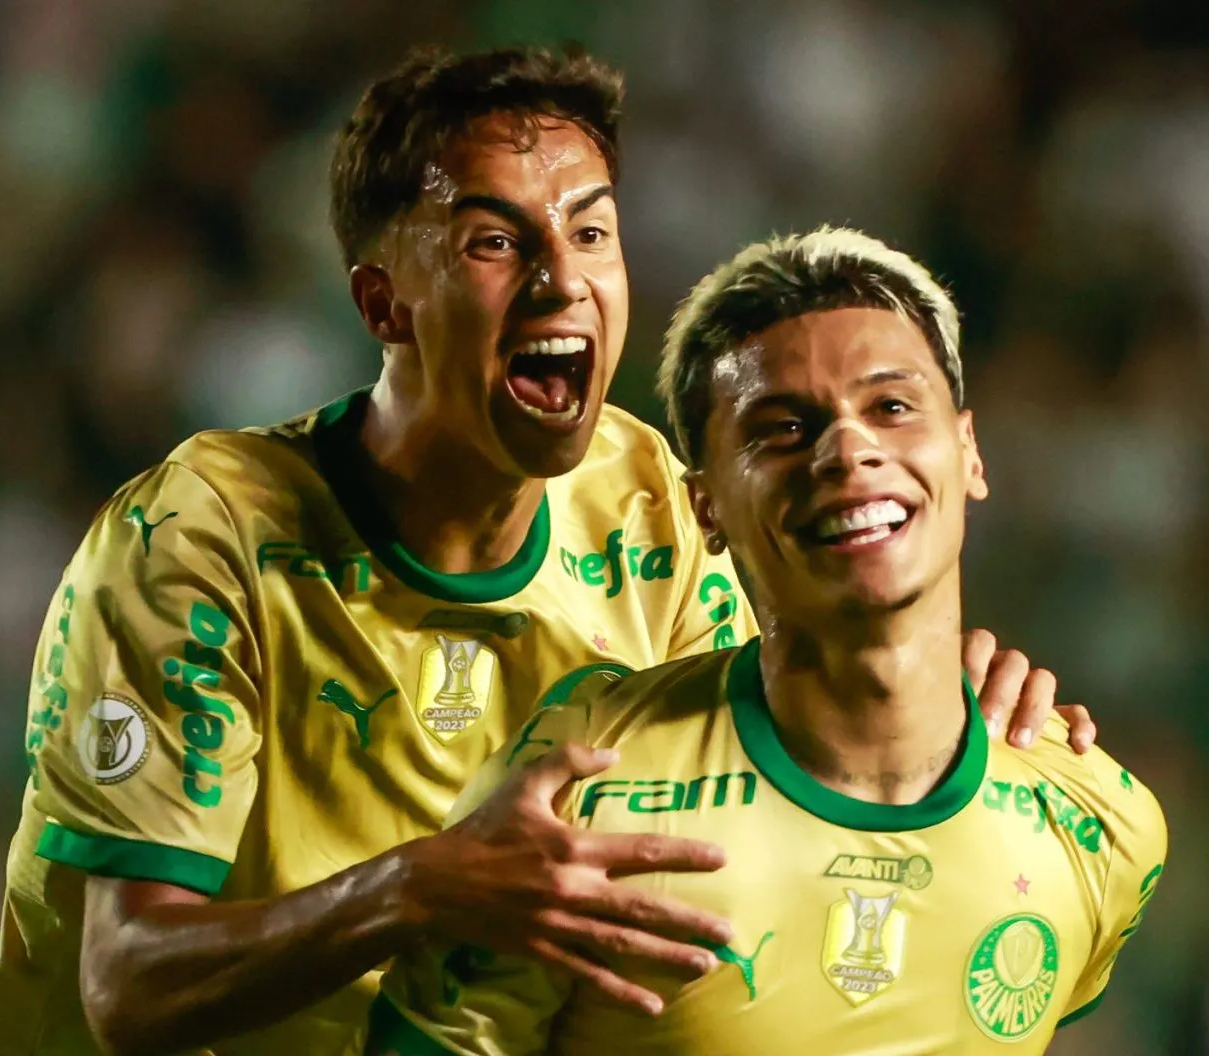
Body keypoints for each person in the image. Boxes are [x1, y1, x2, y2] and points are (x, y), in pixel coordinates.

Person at [0, 49, 1095, 1056]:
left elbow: (773, 753)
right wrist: (421, 889)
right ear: (384, 304)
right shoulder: (207, 535)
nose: (561, 279)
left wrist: (933, 685)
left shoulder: (649, 507)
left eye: (590, 228)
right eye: (495, 240)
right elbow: (127, 985)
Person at [367, 227, 1166, 1055]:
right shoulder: (575, 793)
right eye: (782, 427)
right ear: (705, 507)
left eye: (891, 407)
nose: (848, 449)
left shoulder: (1099, 821)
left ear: (967, 450)